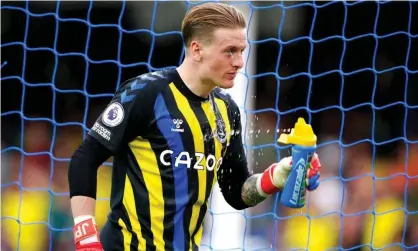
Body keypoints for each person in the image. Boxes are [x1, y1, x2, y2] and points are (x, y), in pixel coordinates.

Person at [68, 2, 322, 251]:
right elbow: (85, 158)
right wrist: (86, 237)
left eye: (242, 51)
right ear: (197, 49)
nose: (239, 62)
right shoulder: (146, 94)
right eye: (229, 51)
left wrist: (276, 176)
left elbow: (237, 193)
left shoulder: (227, 111)